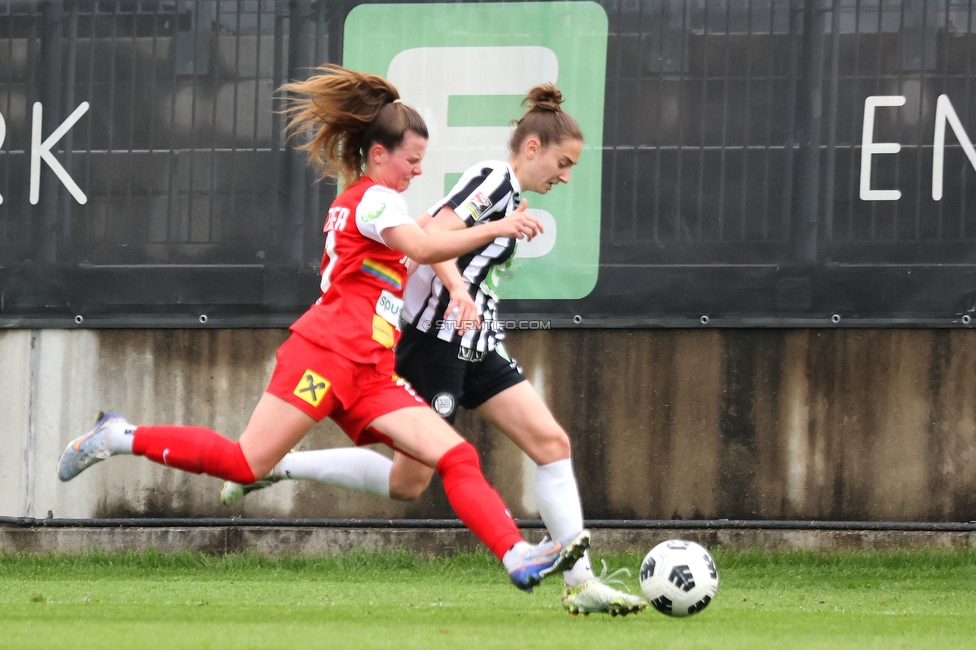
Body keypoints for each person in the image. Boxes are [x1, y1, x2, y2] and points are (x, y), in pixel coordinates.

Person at [56, 65, 590, 593]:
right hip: (325, 355)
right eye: (412, 160)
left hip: (374, 370)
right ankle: (118, 437)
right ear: (378, 154)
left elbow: (428, 237)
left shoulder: (385, 205)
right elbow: (427, 246)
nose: (417, 172)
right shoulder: (374, 199)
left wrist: (459, 284)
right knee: (246, 463)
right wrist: (500, 224)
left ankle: (515, 553)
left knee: (455, 455)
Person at [220, 84, 647, 616]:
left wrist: (475, 299)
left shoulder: (513, 196)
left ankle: (581, 584)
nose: (563, 176)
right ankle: (280, 466)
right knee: (409, 481)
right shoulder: (495, 180)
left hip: (475, 344)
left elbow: (441, 240)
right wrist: (461, 290)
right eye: (562, 163)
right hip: (431, 345)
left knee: (552, 442)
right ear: (531, 148)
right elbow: (434, 234)